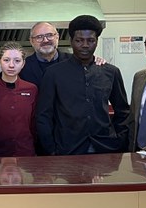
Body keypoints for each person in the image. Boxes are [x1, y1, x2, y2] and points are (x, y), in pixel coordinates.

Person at [36, 15, 131, 155]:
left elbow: (123, 111)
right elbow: (44, 115)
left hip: (105, 149)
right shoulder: (53, 73)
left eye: (90, 40)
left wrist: (120, 141)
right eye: (79, 40)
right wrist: (51, 150)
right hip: (67, 149)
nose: (85, 45)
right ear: (71, 41)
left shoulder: (111, 72)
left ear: (97, 42)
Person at [0, 42, 37, 157]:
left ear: (23, 64)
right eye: (6, 60)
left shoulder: (31, 89)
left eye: (17, 61)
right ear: (0, 61)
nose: (11, 65)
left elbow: (34, 124)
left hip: (25, 152)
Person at [18, 22, 70, 87]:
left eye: (50, 35)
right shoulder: (22, 67)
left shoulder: (75, 62)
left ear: (57, 37)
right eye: (39, 37)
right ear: (31, 41)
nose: (45, 40)